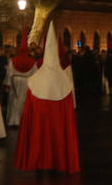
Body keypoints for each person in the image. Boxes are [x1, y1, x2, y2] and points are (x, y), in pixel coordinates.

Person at [14, 24, 80, 173]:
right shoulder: (63, 80)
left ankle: (39, 161)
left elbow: (28, 108)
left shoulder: (36, 79)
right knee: (58, 139)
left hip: (40, 119)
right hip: (57, 122)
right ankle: (59, 161)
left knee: (40, 138)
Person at [5, 42, 38, 127]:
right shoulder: (33, 62)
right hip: (27, 82)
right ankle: (25, 120)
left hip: (15, 81)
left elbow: (9, 73)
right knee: (25, 100)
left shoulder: (13, 60)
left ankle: (14, 120)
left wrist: (8, 84)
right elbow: (35, 74)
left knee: (14, 100)